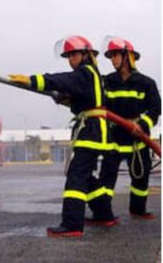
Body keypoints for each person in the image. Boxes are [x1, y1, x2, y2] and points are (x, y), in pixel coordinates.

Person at [8, 35, 115, 237]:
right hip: (94, 129)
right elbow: (79, 98)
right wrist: (63, 97)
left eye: (73, 54)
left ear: (85, 54)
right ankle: (104, 213)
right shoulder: (91, 75)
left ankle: (72, 225)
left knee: (76, 177)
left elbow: (61, 80)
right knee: (84, 175)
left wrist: (32, 80)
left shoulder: (85, 73)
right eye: (68, 56)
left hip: (91, 130)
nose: (70, 59)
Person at [88, 38, 160, 222]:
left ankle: (138, 210)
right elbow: (92, 96)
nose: (112, 60)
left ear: (128, 57)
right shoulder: (107, 82)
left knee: (141, 178)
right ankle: (102, 213)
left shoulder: (146, 83)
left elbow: (155, 109)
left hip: (138, 140)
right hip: (114, 139)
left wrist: (142, 125)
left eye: (116, 55)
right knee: (106, 178)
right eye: (111, 56)